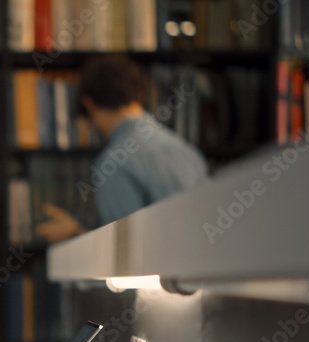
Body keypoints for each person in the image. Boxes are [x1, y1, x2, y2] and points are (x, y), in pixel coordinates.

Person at [36, 55, 209, 243]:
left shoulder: (112, 163)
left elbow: (126, 252)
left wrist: (75, 233)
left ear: (89, 104)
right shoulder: (185, 150)